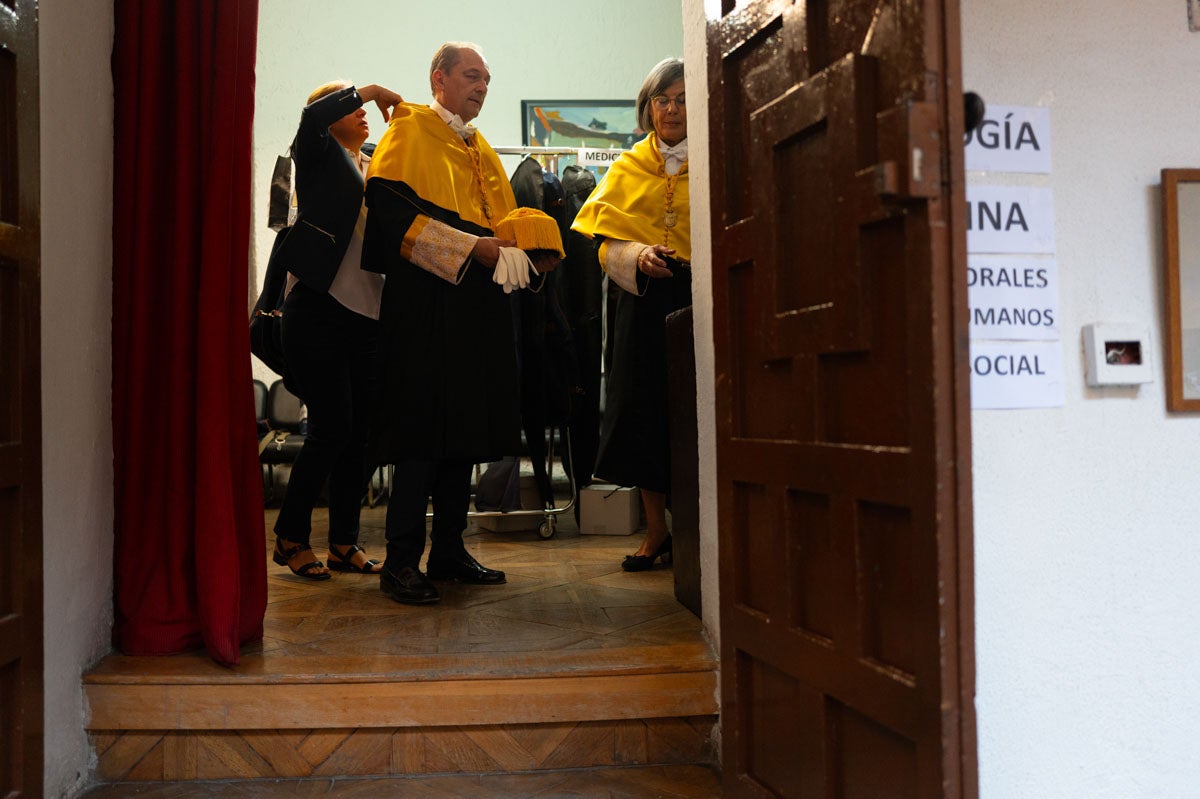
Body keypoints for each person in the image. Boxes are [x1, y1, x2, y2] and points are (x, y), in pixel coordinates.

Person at [362, 43, 560, 605]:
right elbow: (392, 221)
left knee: (464, 432)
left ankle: (448, 550)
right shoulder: (408, 131)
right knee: (422, 434)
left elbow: (499, 226)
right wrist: (473, 247)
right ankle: (401, 561)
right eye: (472, 76)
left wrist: (531, 248)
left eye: (487, 79)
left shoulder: (479, 148)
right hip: (425, 307)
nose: (482, 87)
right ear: (439, 79)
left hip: (476, 307)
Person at [269, 80, 402, 580]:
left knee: (360, 436)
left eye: (362, 106)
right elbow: (311, 118)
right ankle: (290, 537)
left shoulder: (376, 160)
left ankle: (344, 542)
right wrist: (368, 90)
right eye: (352, 107)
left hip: (368, 315)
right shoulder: (319, 156)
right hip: (317, 308)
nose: (363, 112)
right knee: (332, 430)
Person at [571, 58, 691, 572]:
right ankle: (656, 532)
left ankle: (699, 532)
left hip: (699, 299)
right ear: (648, 108)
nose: (671, 109)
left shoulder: (716, 159)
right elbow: (602, 244)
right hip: (643, 301)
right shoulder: (626, 166)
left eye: (682, 99)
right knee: (643, 413)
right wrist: (636, 255)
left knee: (695, 413)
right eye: (662, 100)